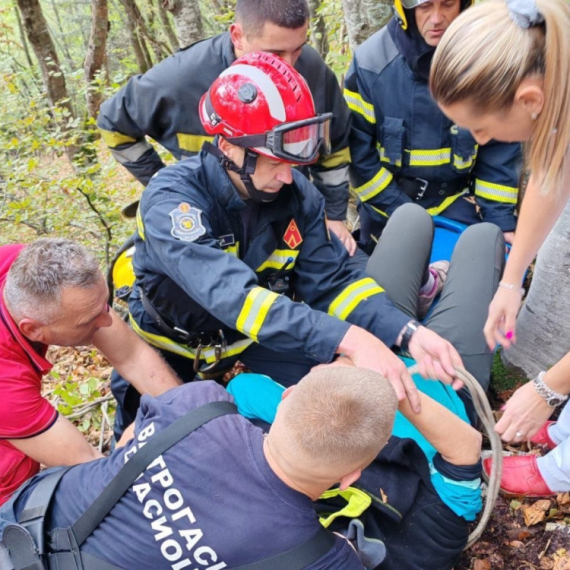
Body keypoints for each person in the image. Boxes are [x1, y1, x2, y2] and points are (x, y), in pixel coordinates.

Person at [111, 50, 489, 438]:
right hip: (169, 345)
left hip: (250, 340)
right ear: (228, 147)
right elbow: (235, 298)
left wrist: (406, 331)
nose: (288, 178)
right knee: (155, 446)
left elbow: (332, 284)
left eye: (294, 162)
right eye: (274, 162)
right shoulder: (173, 203)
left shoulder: (298, 197)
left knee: (330, 410)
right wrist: (350, 337)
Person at [0, 366, 399, 569]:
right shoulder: (319, 558)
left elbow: (128, 444)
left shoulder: (200, 403)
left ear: (286, 397)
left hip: (20, 530)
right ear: (351, 477)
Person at [430, 0, 570, 496]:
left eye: (482, 128)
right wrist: (511, 279)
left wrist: (550, 387)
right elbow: (553, 173)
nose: (478, 139)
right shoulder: (556, 91)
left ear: (530, 99)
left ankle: (562, 470)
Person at [97, 0, 357, 254]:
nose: (288, 65)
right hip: (211, 225)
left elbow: (333, 149)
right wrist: (158, 179)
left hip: (285, 212)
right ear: (238, 36)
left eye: (298, 48)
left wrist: (333, 215)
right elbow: (112, 123)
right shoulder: (181, 78)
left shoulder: (311, 70)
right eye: (275, 54)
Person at [227, 359, 483, 570]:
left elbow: (241, 387)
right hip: (447, 388)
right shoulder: (430, 534)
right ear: (351, 476)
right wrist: (383, 378)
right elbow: (466, 448)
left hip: (400, 381)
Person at [0, 239, 181, 507]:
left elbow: (132, 355)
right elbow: (95, 472)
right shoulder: (7, 389)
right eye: (89, 320)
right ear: (33, 330)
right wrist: (144, 436)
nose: (108, 321)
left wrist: (185, 412)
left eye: (103, 305)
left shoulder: (25, 266)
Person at [343, 0, 522, 258]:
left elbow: (499, 148)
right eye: (425, 6)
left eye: (447, 4)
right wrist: (401, 212)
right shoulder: (371, 63)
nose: (437, 18)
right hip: (387, 210)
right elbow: (358, 155)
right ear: (406, 9)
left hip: (458, 205)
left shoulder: (486, 60)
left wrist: (500, 220)